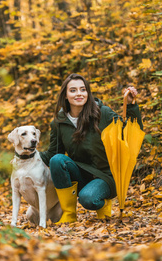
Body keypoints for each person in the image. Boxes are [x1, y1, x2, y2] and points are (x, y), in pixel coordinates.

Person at [40, 73, 143, 223]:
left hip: (106, 176)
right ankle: (69, 214)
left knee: (88, 199)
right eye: (73, 90)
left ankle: (104, 202)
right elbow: (53, 154)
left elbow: (131, 133)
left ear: (88, 93)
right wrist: (25, 155)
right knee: (57, 160)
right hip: (82, 173)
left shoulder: (103, 113)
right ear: (66, 95)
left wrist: (131, 105)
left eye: (83, 89)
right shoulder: (59, 122)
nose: (79, 94)